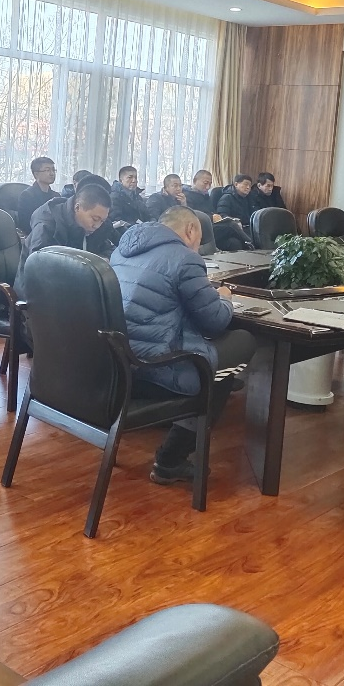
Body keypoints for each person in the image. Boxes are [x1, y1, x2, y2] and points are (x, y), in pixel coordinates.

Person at [109, 207, 257, 485]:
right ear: (190, 230)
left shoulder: (121, 251)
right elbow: (214, 322)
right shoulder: (185, 258)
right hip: (156, 367)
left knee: (213, 359)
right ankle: (171, 459)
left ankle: (175, 443)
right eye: (199, 240)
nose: (198, 246)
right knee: (238, 346)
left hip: (117, 361)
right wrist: (224, 298)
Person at [20, 184, 115, 279]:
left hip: (81, 281)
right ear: (77, 208)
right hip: (41, 284)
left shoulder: (97, 226)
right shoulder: (47, 225)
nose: (97, 226)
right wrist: (87, 268)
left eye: (102, 221)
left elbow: (110, 249)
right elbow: (38, 266)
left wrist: (104, 258)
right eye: (95, 219)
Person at [17, 156, 58, 232]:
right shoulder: (27, 196)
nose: (52, 173)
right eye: (47, 170)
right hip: (35, 235)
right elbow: (25, 224)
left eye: (53, 170)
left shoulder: (56, 196)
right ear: (36, 174)